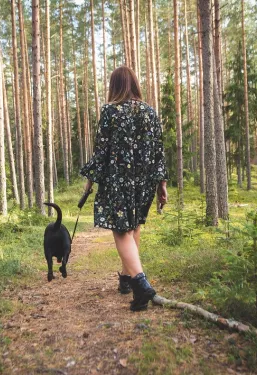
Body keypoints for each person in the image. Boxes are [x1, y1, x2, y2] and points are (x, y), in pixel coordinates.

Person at [79, 66, 168, 312]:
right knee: (134, 225)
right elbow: (159, 152)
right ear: (135, 84)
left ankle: (140, 283)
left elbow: (101, 150)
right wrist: (162, 184)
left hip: (118, 178)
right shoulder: (150, 112)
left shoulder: (110, 111)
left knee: (121, 230)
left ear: (114, 86)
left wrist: (90, 180)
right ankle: (128, 279)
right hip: (145, 180)